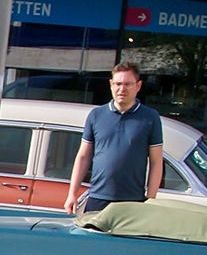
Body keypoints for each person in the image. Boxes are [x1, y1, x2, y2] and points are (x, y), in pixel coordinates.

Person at [65, 62, 163, 214]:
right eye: (118, 83)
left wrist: (150, 200)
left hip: (133, 201)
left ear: (138, 86)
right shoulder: (96, 115)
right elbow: (83, 157)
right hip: (98, 198)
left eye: (127, 84)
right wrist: (72, 194)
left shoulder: (150, 118)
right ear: (111, 84)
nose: (121, 89)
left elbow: (156, 162)